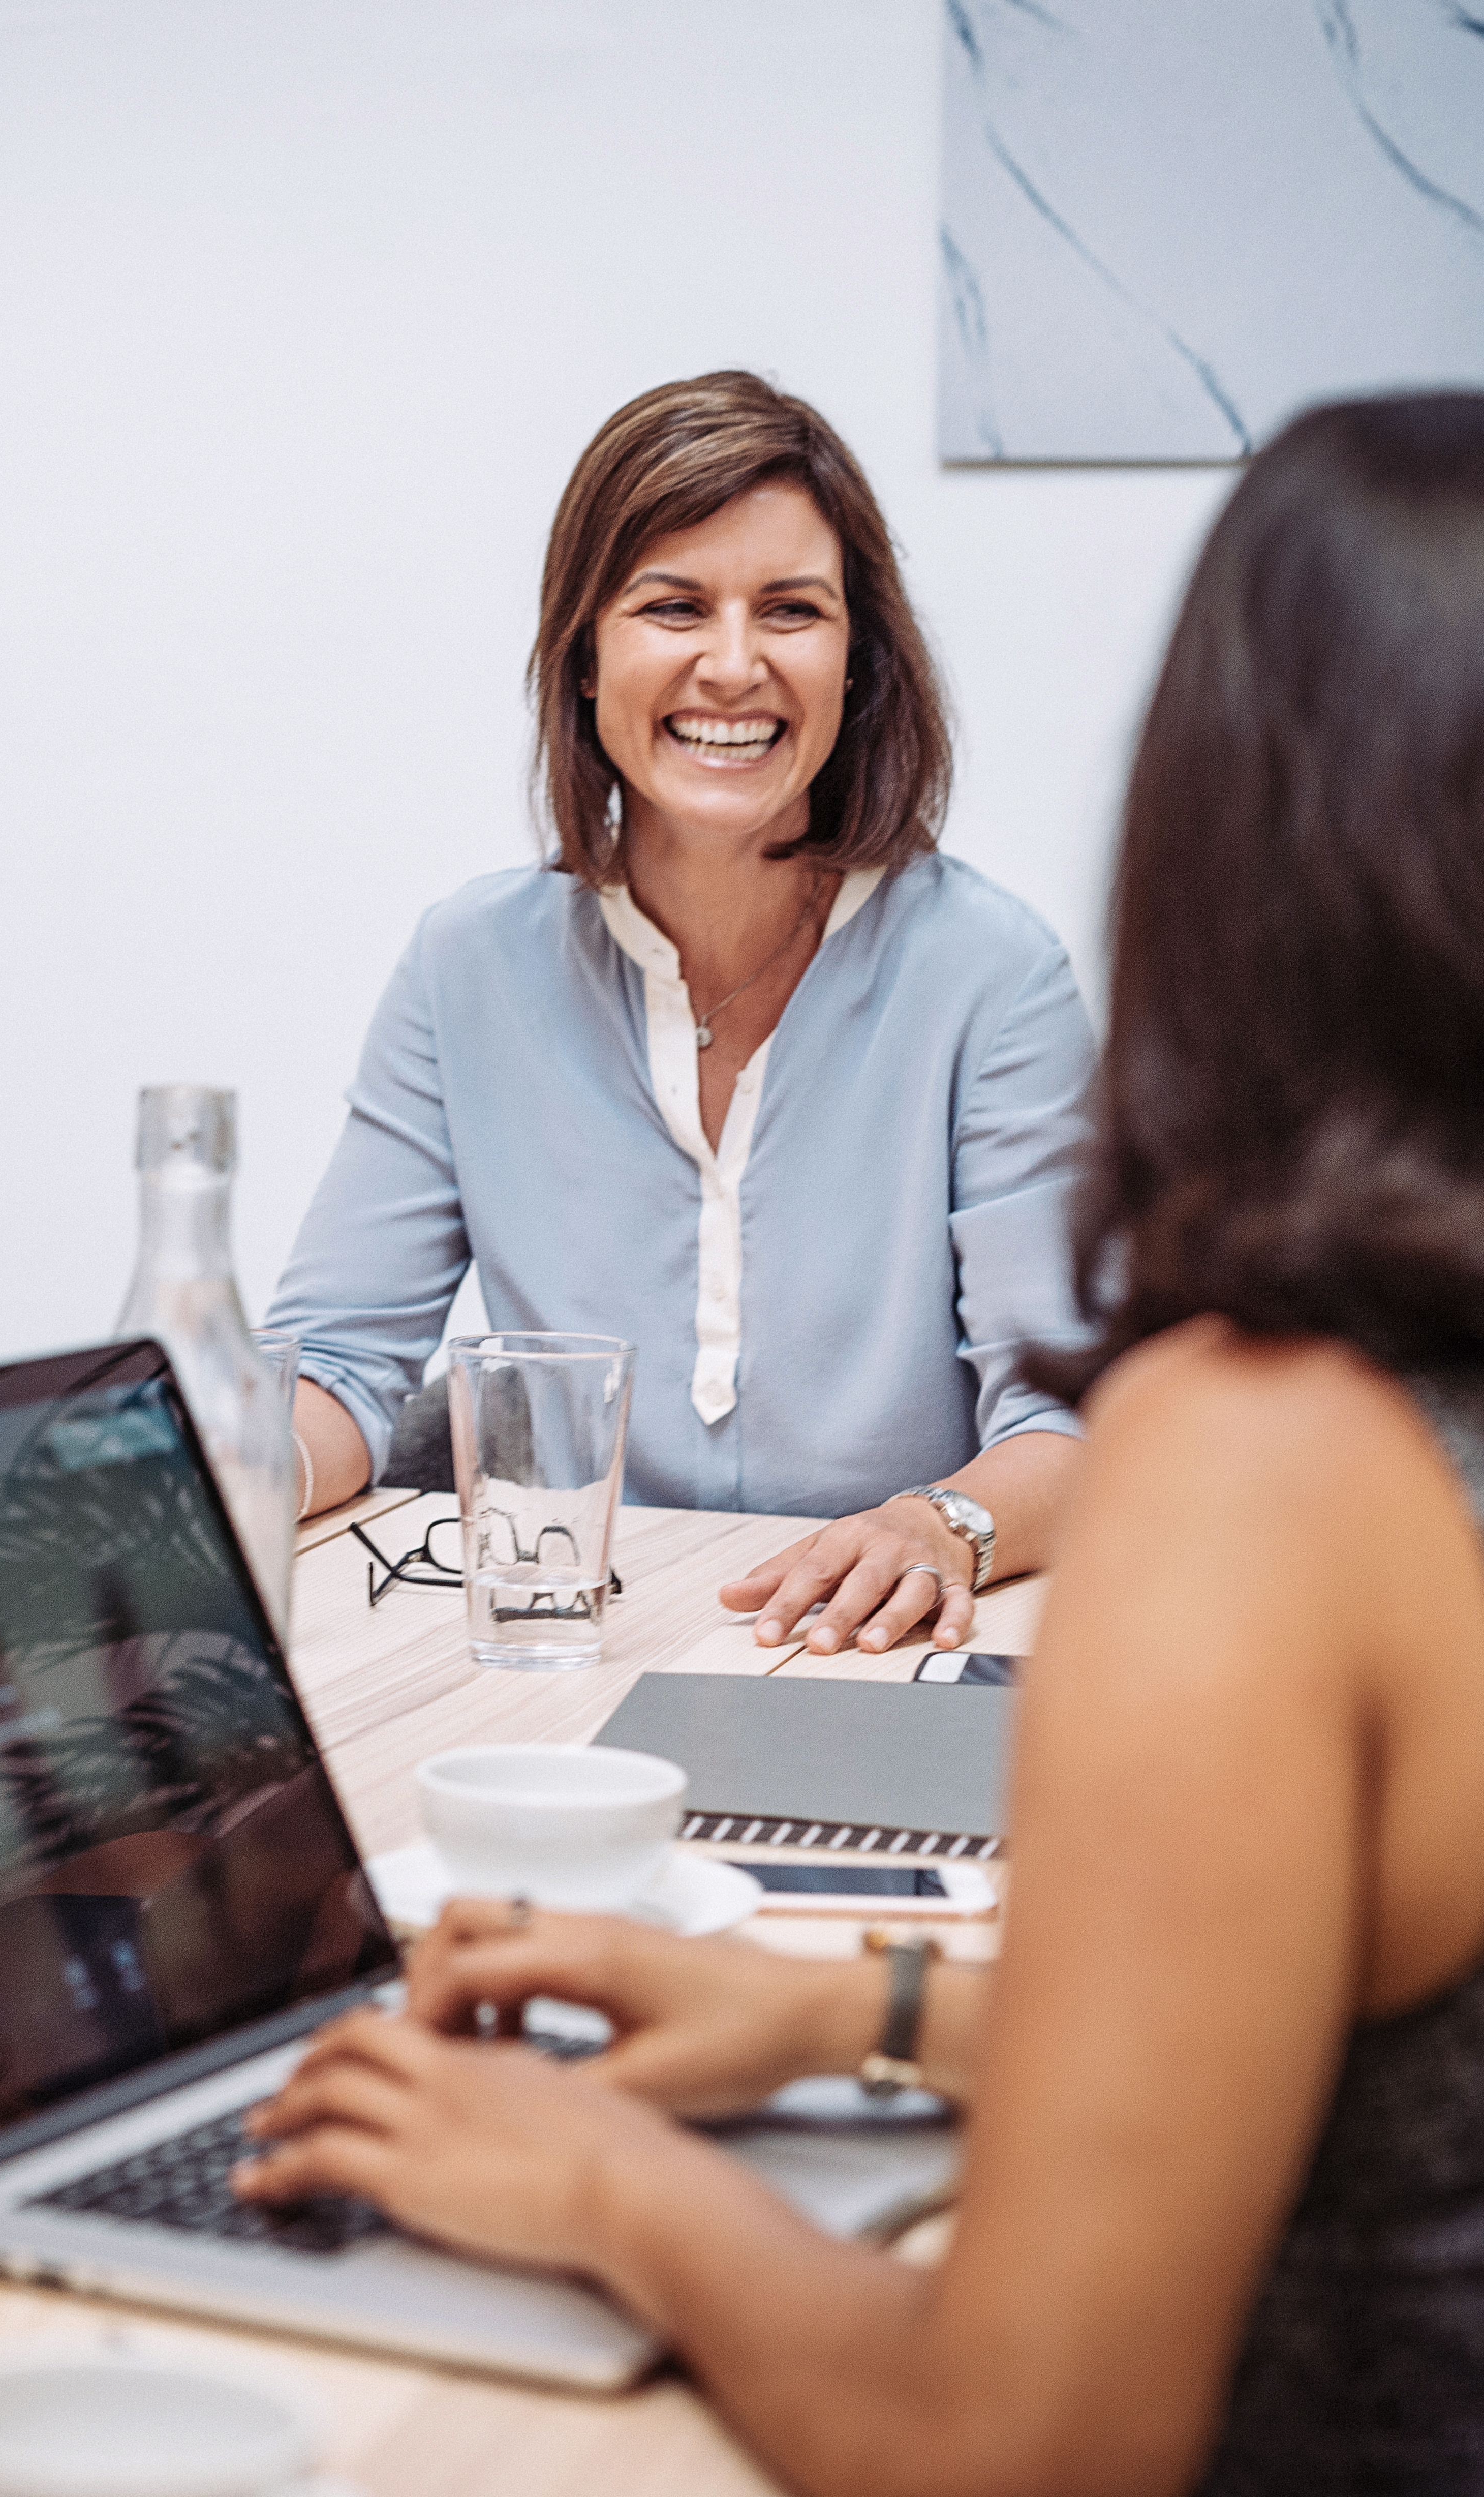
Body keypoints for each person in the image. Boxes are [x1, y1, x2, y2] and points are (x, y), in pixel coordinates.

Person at [235, 394, 1484, 2492]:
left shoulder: (1269, 1481)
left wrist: (588, 2181)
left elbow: (1015, 2442)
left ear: (1249, 847)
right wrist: (867, 2017)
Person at [265, 373, 1090, 1657]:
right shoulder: (465, 965)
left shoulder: (989, 972)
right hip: (563, 1645)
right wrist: (175, 1483)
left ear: (857, 658)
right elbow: (337, 1364)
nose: (732, 663)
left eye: (790, 610)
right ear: (585, 653)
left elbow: (1075, 1416)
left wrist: (941, 1524)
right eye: (671, 606)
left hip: (868, 1656)